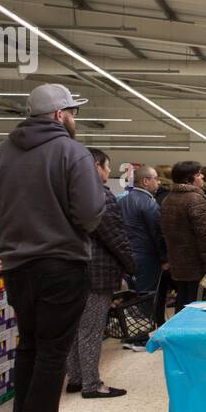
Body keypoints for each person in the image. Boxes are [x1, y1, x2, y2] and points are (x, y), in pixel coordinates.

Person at [0, 83, 106, 412]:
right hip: (61, 262)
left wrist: (13, 244)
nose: (74, 120)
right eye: (72, 113)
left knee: (30, 344)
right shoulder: (72, 153)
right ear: (58, 115)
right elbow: (89, 213)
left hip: (16, 266)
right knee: (54, 348)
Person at [65, 149, 134, 399]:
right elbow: (114, 236)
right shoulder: (100, 196)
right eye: (107, 166)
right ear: (96, 166)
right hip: (98, 270)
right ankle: (92, 384)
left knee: (75, 328)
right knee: (92, 329)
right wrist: (131, 266)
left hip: (71, 269)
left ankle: (76, 377)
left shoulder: (68, 192)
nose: (108, 172)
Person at [160, 161, 206, 312]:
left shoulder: (168, 199)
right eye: (198, 174)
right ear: (188, 179)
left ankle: (179, 334)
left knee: (183, 302)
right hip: (198, 265)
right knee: (198, 306)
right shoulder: (195, 200)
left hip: (179, 264)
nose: (202, 177)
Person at [119, 164, 167, 348]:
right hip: (147, 256)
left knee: (133, 296)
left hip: (127, 256)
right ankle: (142, 338)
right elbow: (157, 233)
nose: (158, 181)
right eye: (155, 178)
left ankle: (132, 333)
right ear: (145, 181)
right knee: (148, 296)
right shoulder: (148, 203)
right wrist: (164, 258)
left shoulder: (122, 200)